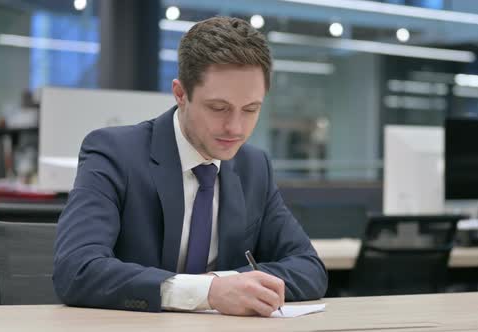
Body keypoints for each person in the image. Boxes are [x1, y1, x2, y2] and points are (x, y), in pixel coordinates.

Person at [53, 16, 327, 316]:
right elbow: (77, 270)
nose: (235, 127)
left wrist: (224, 283)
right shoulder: (114, 154)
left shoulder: (254, 167)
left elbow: (308, 268)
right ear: (181, 94)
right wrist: (206, 293)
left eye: (250, 109)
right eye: (218, 108)